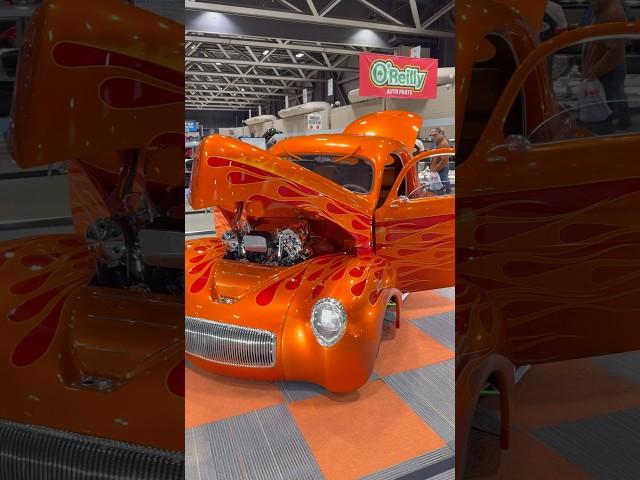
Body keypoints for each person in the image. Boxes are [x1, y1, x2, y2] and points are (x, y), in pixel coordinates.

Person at [582, 0, 630, 130]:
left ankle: (606, 141)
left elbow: (615, 52)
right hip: (605, 69)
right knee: (615, 97)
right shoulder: (602, 8)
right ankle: (623, 124)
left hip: (607, 71)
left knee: (604, 113)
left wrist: (594, 70)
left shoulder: (613, 12)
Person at [429, 127, 451, 193]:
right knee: (444, 184)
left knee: (443, 186)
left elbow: (444, 161)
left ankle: (446, 197)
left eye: (435, 135)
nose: (433, 137)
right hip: (440, 168)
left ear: (441, 134)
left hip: (441, 169)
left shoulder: (443, 144)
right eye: (431, 135)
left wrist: (435, 169)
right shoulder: (439, 142)